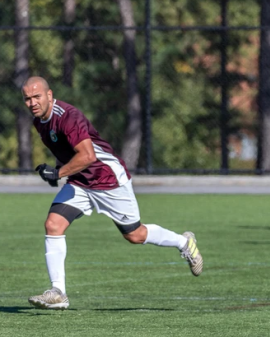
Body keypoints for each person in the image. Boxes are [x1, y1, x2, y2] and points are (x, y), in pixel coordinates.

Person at [22, 76, 203, 310]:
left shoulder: (68, 117)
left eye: (37, 96)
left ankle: (184, 242)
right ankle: (58, 293)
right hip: (80, 182)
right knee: (53, 225)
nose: (32, 102)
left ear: (49, 95)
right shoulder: (40, 122)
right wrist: (59, 170)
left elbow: (88, 156)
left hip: (107, 180)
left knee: (135, 235)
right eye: (27, 99)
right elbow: (67, 151)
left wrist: (58, 175)